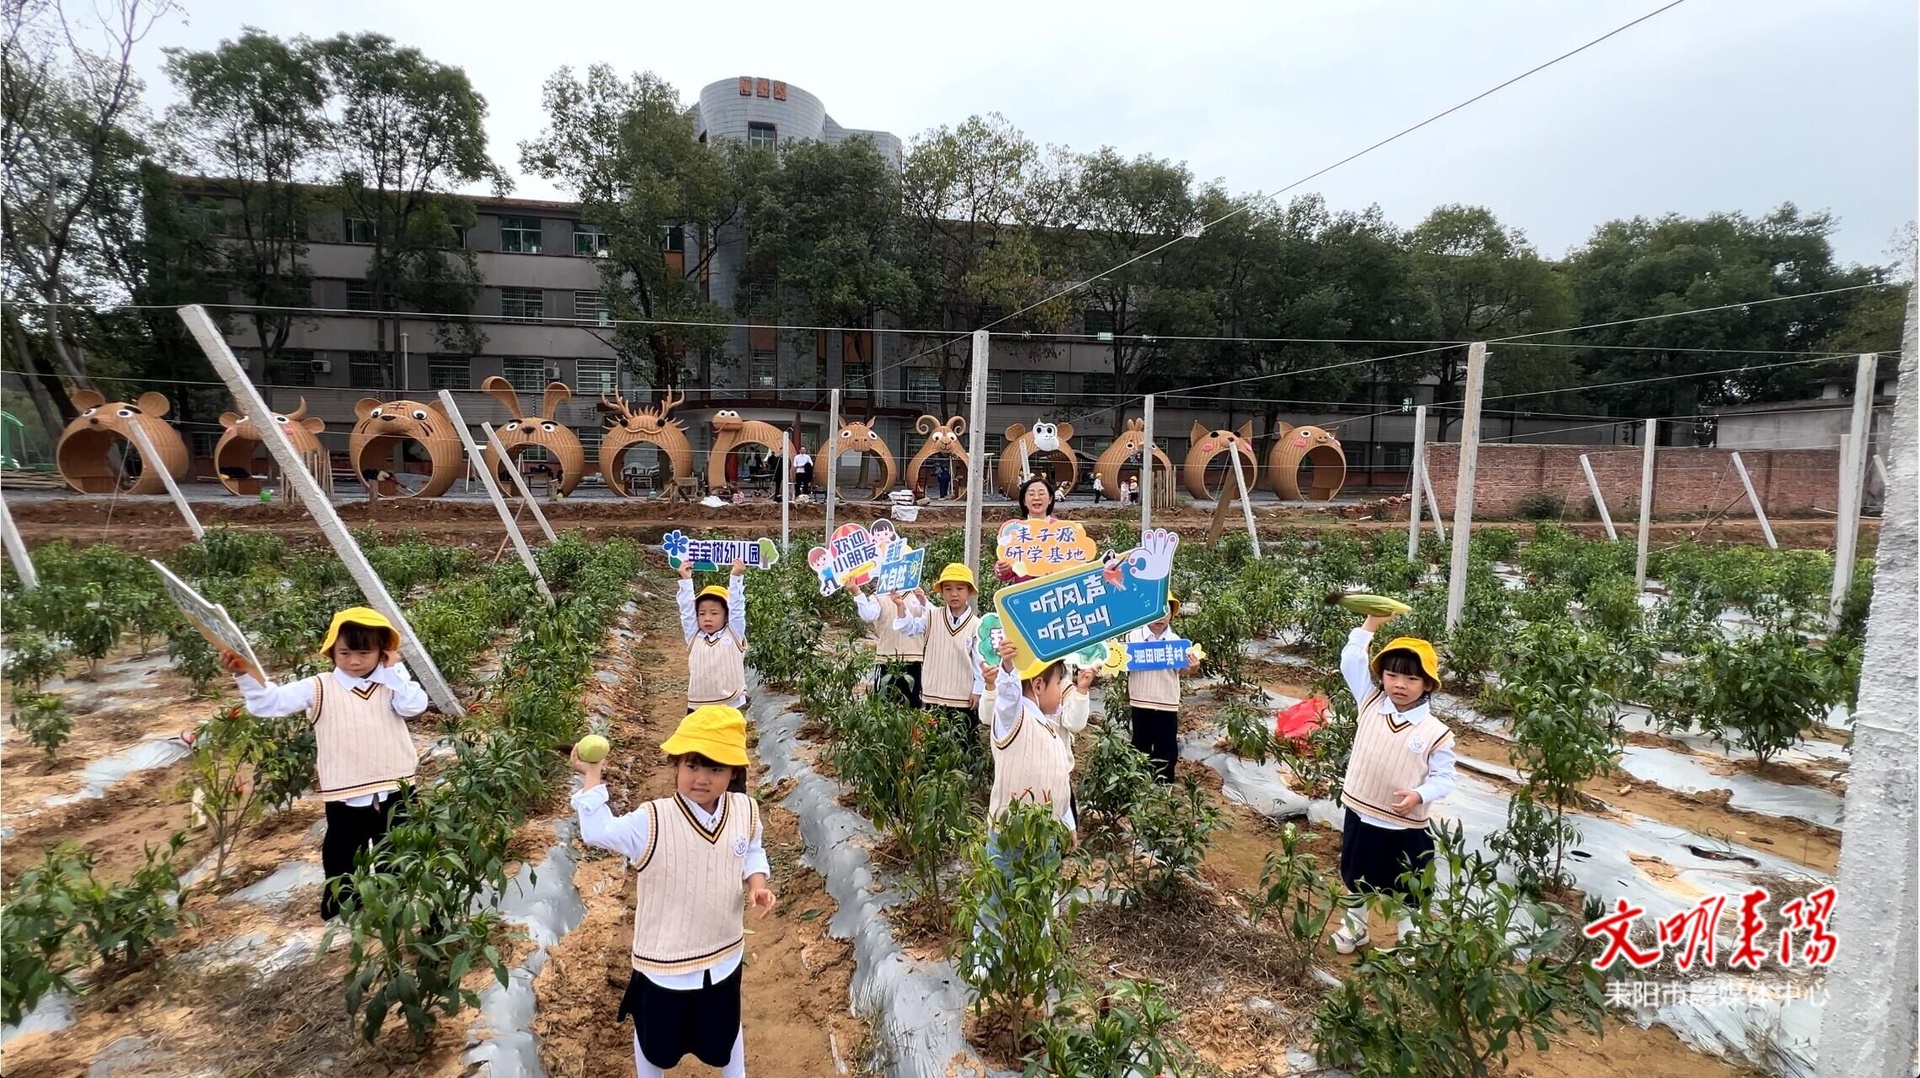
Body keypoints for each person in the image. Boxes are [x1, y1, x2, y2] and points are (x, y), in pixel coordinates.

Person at [571, 706, 776, 1078]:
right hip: (664, 966)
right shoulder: (652, 820)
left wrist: (757, 883)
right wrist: (592, 774)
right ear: (676, 765)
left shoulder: (745, 809)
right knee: (655, 1044)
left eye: (715, 768)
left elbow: (752, 849)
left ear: (733, 773)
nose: (702, 778)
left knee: (725, 1033)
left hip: (724, 955)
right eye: (692, 765)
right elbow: (598, 831)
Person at [221, 608, 427, 920]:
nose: (354, 661)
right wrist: (244, 674)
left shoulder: (391, 687)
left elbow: (415, 706)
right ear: (331, 650)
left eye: (364, 652)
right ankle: (345, 912)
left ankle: (398, 909)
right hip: (346, 792)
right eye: (344, 652)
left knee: (397, 854)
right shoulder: (318, 687)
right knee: (343, 855)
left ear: (382, 652)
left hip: (397, 787)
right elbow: (269, 703)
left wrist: (396, 672)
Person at [1328, 610, 1457, 956]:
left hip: (1403, 824)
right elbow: (1351, 660)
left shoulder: (1435, 733)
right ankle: (1354, 930)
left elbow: (1445, 778)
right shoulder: (1370, 703)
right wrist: (1370, 625)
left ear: (1427, 684)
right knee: (1356, 876)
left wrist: (1420, 794)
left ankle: (1410, 939)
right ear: (1382, 677)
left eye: (1411, 679)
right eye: (1392, 675)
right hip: (1361, 812)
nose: (1399, 684)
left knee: (1406, 885)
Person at [1123, 598, 1201, 785]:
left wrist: (1193, 667)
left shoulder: (1177, 643)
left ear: (1172, 614)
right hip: (1140, 699)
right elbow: (1121, 662)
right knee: (1140, 743)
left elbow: (1184, 670)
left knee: (1166, 746)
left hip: (1167, 702)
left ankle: (1163, 786)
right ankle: (1137, 784)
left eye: (1166, 611)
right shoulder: (1132, 638)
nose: (1161, 617)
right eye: (1156, 610)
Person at [908, 563, 984, 723]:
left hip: (963, 699)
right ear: (941, 592)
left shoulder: (976, 625)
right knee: (933, 744)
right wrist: (901, 606)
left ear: (969, 591)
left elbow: (979, 662)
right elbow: (909, 627)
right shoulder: (931, 616)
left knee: (962, 743)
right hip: (932, 695)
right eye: (948, 589)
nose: (954, 594)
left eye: (960, 588)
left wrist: (977, 690)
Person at [678, 559, 748, 718]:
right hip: (698, 704)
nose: (707, 618)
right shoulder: (694, 636)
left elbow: (737, 608)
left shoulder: (733, 634)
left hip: (730, 702)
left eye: (714, 613)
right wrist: (686, 580)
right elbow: (687, 612)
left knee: (727, 741)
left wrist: (735, 577)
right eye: (702, 613)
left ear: (726, 615)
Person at [852, 583, 925, 707]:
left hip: (914, 660)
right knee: (884, 705)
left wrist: (923, 601)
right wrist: (857, 592)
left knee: (913, 706)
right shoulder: (879, 596)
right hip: (886, 660)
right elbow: (868, 615)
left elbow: (930, 619)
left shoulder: (916, 595)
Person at [994, 477, 1060, 584]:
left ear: (1050, 499)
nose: (1036, 497)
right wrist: (1002, 568)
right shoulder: (1015, 530)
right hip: (1025, 595)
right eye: (1031, 494)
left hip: (1055, 593)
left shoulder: (1061, 529)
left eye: (1041, 493)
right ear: (1024, 501)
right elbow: (1005, 573)